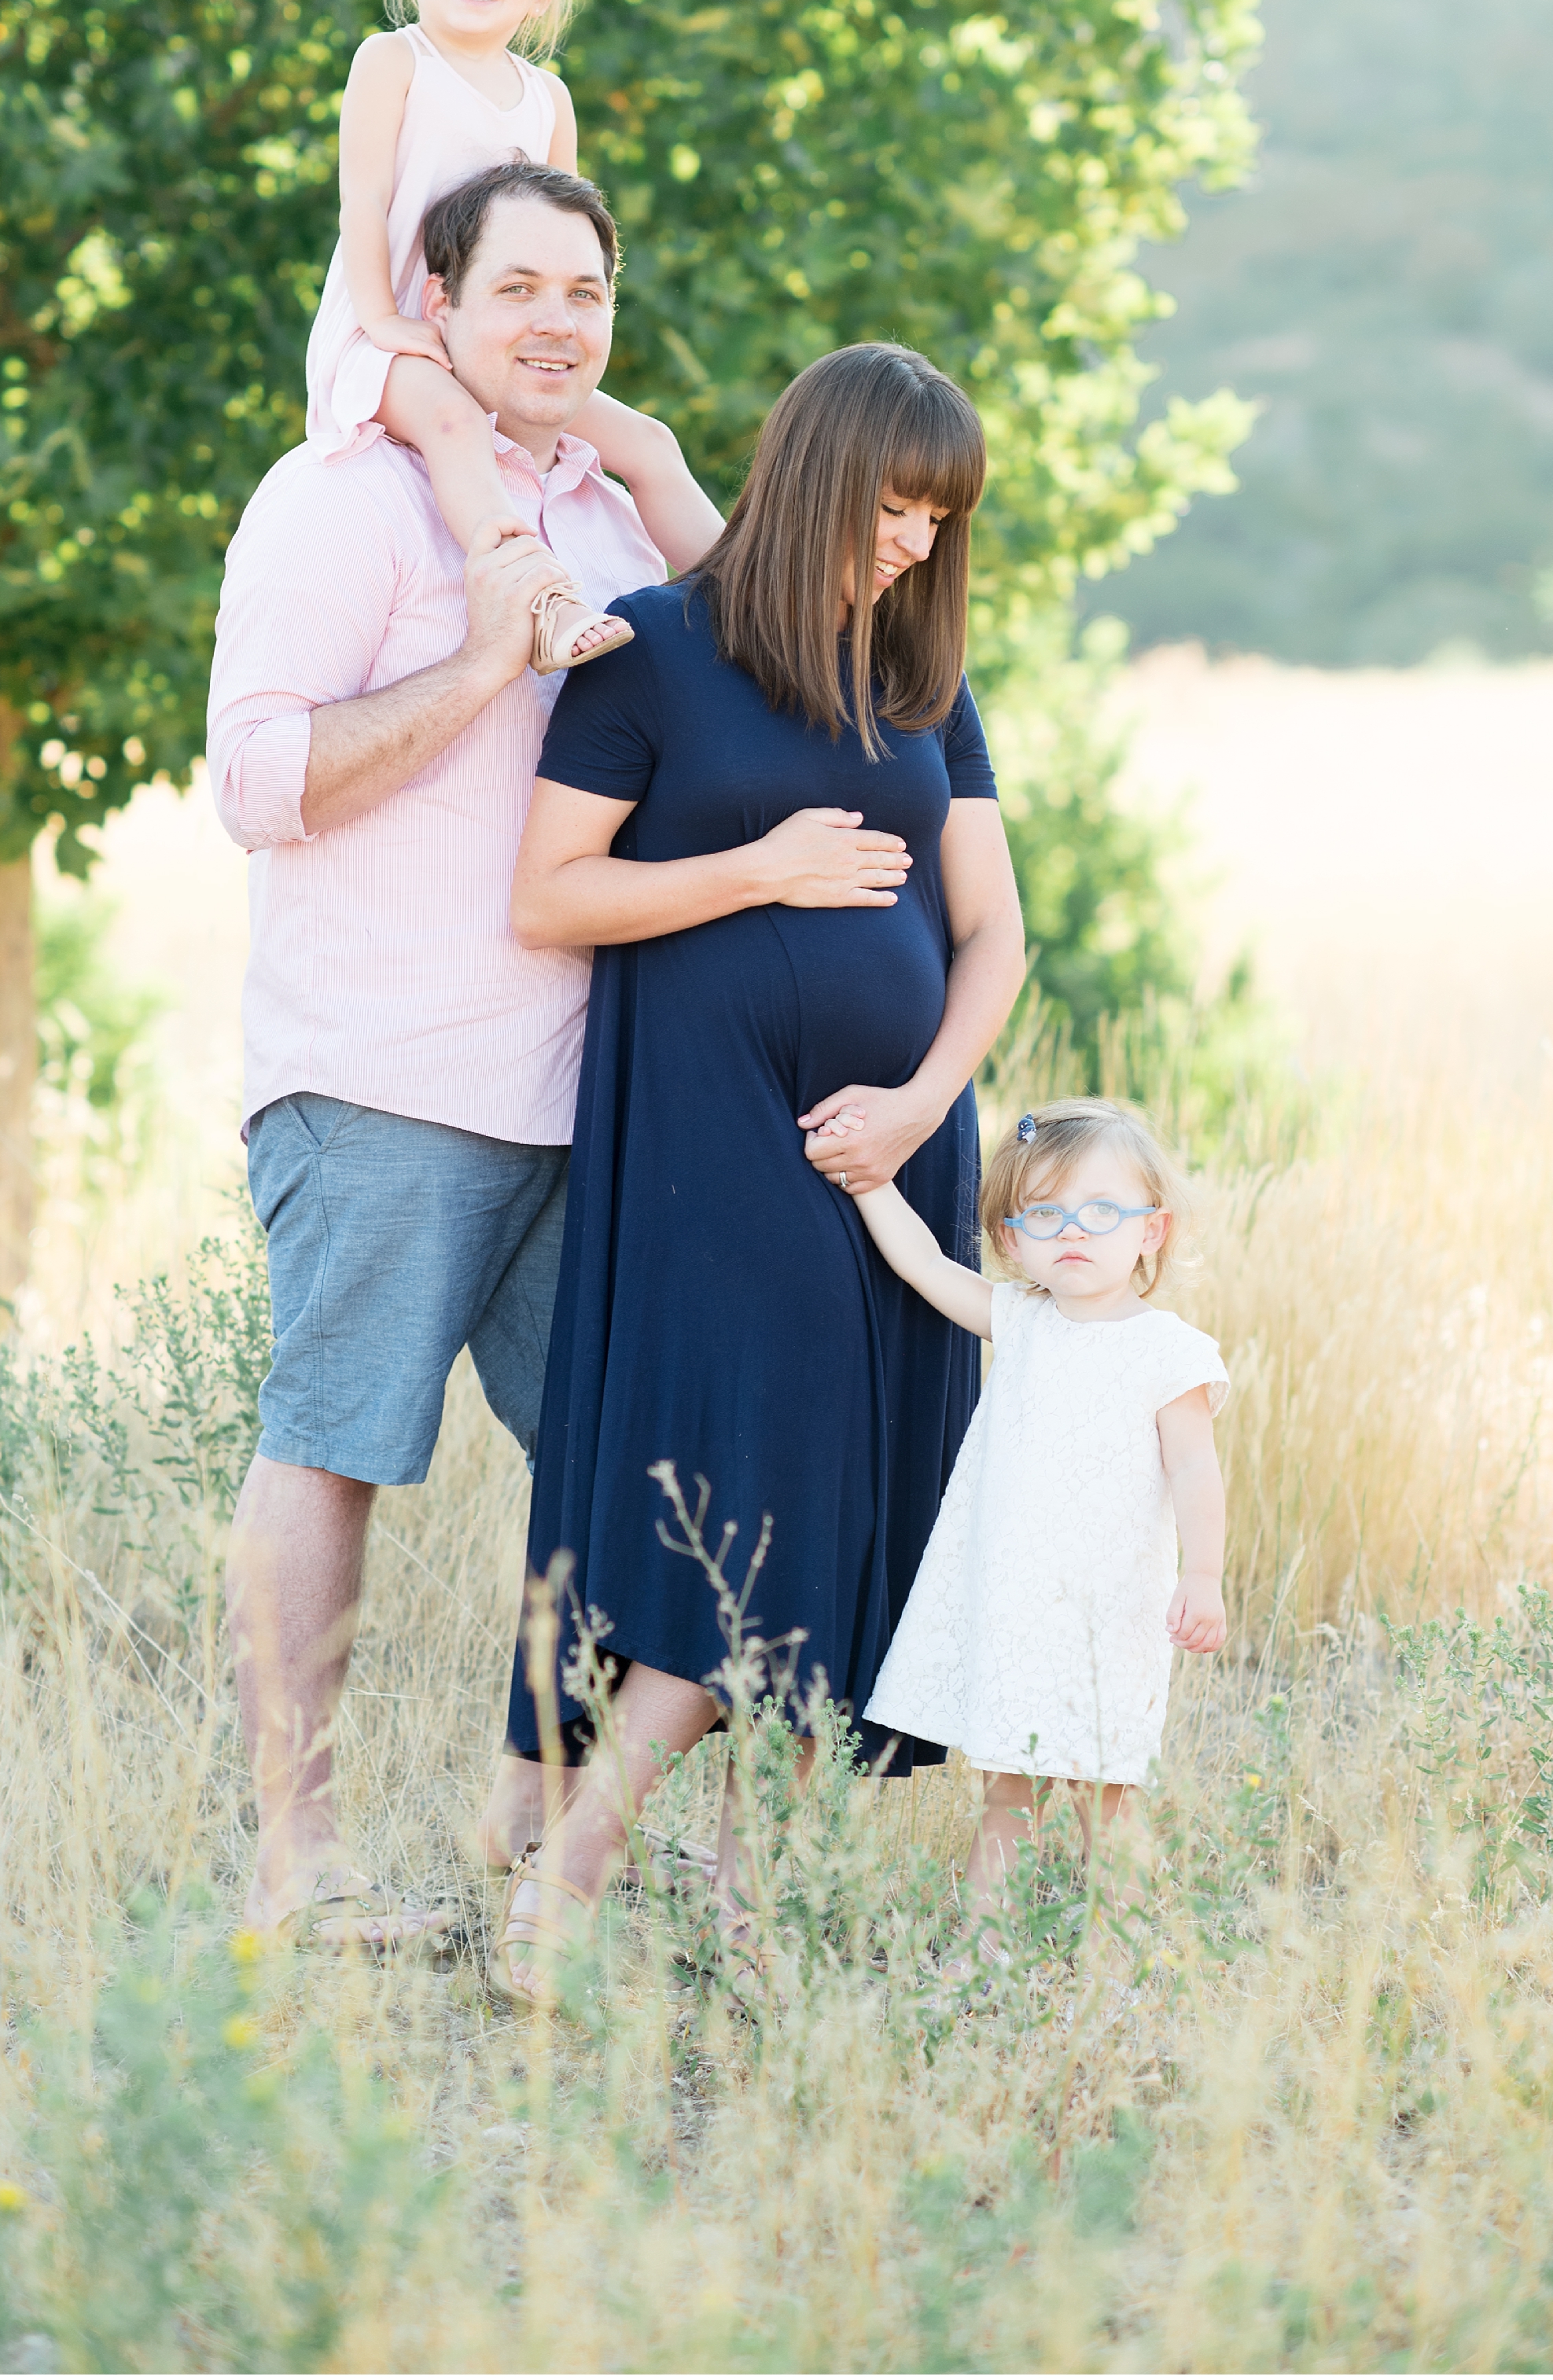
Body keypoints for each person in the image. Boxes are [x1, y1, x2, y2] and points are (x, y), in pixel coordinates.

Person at [487, 341, 1029, 2004]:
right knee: (760, 1503)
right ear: (809, 480)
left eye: (943, 520)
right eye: (893, 507)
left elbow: (993, 934)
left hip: (894, 1166)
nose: (917, 547)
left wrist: (924, 1105)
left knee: (854, 1519)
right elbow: (550, 898)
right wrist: (756, 871)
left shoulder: (926, 689)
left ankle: (750, 1909)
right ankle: (559, 1887)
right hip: (712, 1159)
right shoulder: (652, 652)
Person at [208, 161, 678, 1947]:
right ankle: (298, 1862)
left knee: (624, 1457)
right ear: (439, 303)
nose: (559, 322)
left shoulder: (612, 520)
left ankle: (546, 1822)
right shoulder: (345, 504)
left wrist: (670, 475)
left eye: (589, 293)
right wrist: (484, 666)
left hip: (602, 1094)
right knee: (336, 1444)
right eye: (522, 291)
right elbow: (256, 782)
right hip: (387, 1074)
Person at [305, 0, 720, 665]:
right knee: (455, 424)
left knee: (648, 442)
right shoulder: (393, 62)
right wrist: (383, 320)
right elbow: (363, 201)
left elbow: (564, 236)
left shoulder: (546, 97)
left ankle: (764, 599)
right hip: (394, 339)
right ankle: (544, 603)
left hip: (495, 343)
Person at [851, 1095, 1230, 1953]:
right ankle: (987, 1960)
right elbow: (919, 1264)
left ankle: (1125, 1965)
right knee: (1006, 1792)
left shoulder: (1166, 1351)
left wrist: (1201, 1575)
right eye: (1045, 1212)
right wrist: (872, 1182)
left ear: (1151, 1230)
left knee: (1107, 1792)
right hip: (1018, 1609)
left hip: (1109, 1614)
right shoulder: (1020, 1322)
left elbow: (1194, 1470)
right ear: (1012, 1237)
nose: (1074, 1230)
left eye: (1102, 1212)